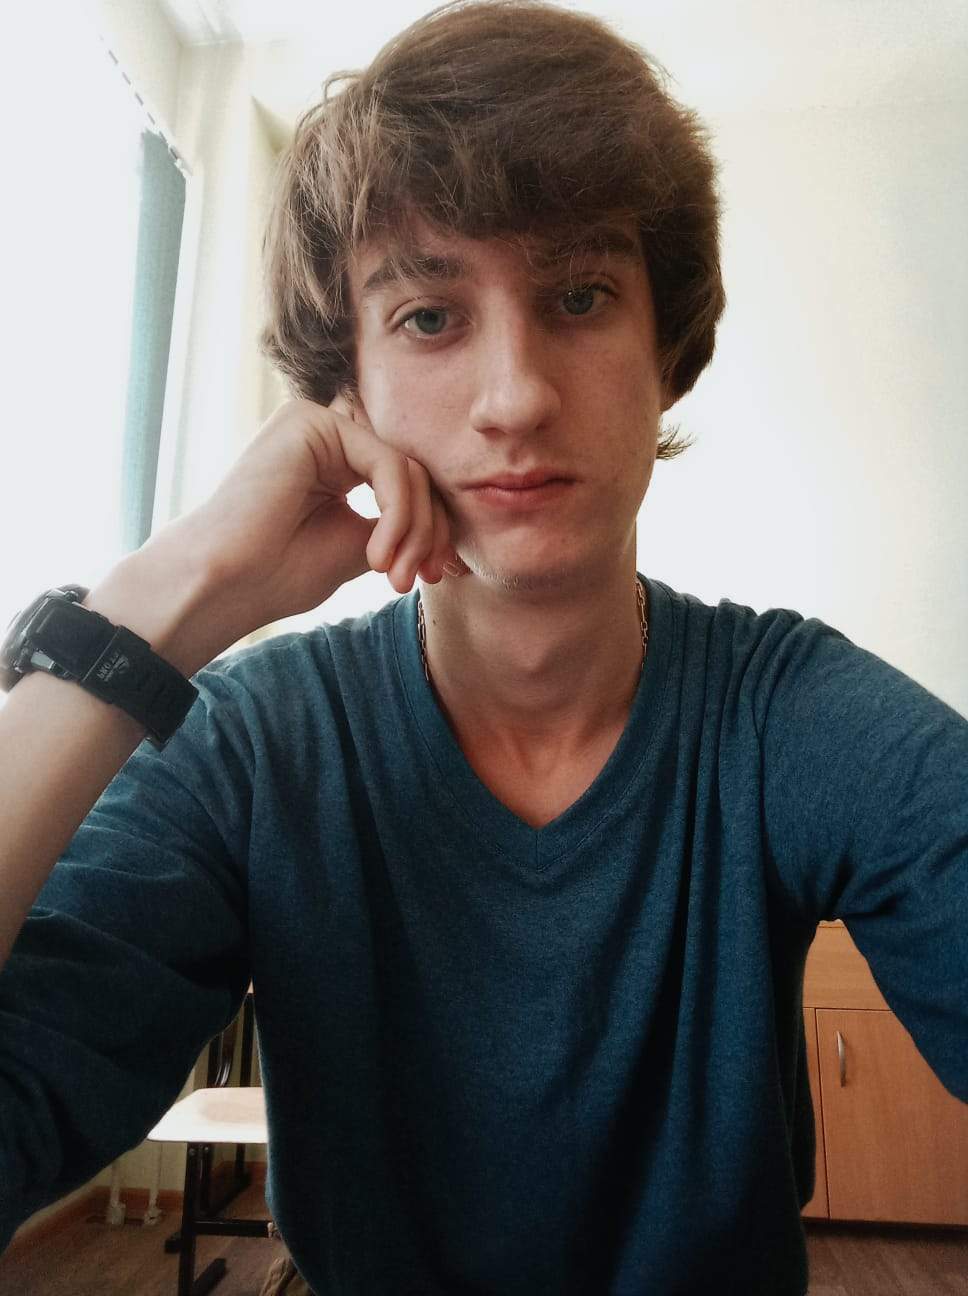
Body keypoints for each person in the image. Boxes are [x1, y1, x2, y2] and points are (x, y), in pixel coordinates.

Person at [0, 2, 965, 1293]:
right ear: (345, 387)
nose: (516, 397)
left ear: (665, 352)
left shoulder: (785, 717)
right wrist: (153, 609)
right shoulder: (256, 747)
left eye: (579, 297)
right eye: (428, 317)